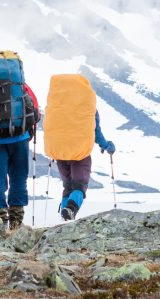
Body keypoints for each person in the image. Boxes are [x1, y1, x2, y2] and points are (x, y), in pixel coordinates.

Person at [0, 50, 40, 230]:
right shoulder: (22, 87)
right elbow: (35, 112)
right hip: (20, 139)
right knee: (19, 178)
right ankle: (16, 220)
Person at [42, 73, 115, 221]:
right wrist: (107, 146)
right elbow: (96, 132)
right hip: (80, 154)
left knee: (68, 187)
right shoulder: (87, 108)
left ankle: (65, 216)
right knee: (79, 186)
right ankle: (70, 210)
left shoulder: (57, 107)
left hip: (60, 152)